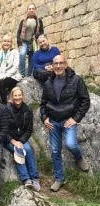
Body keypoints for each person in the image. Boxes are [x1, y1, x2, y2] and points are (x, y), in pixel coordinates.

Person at [40, 55, 90, 192]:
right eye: (55, 63)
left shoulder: (76, 80)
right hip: (53, 121)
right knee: (55, 150)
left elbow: (85, 101)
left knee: (71, 144)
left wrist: (75, 118)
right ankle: (59, 179)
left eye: (61, 63)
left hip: (69, 120)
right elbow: (43, 104)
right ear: (52, 65)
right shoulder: (48, 82)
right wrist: (44, 118)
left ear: (66, 64)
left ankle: (79, 158)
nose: (58, 66)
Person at [5, 87, 40, 191]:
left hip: (21, 139)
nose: (17, 97)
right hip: (9, 139)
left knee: (28, 149)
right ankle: (26, 179)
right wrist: (13, 141)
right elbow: (3, 129)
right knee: (18, 150)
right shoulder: (6, 109)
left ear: (23, 96)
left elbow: (29, 129)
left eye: (19, 95)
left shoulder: (27, 110)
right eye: (15, 95)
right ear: (12, 97)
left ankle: (35, 178)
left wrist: (21, 141)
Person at [0, 34, 22, 103]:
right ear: (2, 42)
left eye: (8, 41)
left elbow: (15, 67)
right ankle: (2, 91)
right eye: (5, 41)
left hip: (12, 76)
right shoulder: (0, 53)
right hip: (2, 75)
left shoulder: (15, 52)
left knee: (1, 83)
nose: (6, 43)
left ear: (11, 43)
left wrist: (4, 76)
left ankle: (4, 103)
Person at [17, 3, 44, 77]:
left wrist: (40, 40)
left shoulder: (39, 21)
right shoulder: (23, 21)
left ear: (35, 10)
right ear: (27, 11)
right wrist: (19, 44)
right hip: (24, 42)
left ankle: (29, 76)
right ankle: (22, 74)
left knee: (32, 59)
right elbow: (19, 32)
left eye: (33, 9)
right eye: (30, 9)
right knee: (22, 55)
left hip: (33, 43)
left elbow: (41, 32)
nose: (31, 10)